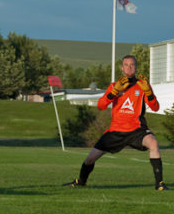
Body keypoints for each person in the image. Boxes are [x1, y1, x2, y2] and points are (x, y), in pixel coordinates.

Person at [63, 55, 168, 190]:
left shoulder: (143, 85)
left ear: (136, 67)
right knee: (90, 159)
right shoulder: (115, 85)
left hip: (136, 130)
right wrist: (114, 92)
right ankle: (81, 182)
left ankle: (159, 184)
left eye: (132, 65)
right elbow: (101, 105)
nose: (129, 67)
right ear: (122, 68)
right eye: (126, 65)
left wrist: (148, 92)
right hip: (115, 131)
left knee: (153, 143)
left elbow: (155, 107)